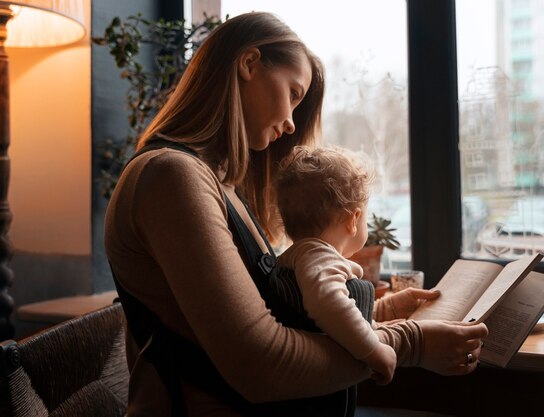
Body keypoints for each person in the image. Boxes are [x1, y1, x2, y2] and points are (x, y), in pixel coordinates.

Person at [104, 11, 489, 417]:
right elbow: (261, 362)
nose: (290, 124)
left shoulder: (221, 188)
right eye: (293, 93)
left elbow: (280, 318)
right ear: (249, 64)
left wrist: (384, 313)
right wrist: (412, 344)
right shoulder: (171, 177)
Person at [274, 145, 397, 385]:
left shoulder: (304, 256)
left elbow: (342, 311)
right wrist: (374, 350)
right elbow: (327, 301)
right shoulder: (318, 255)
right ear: (353, 220)